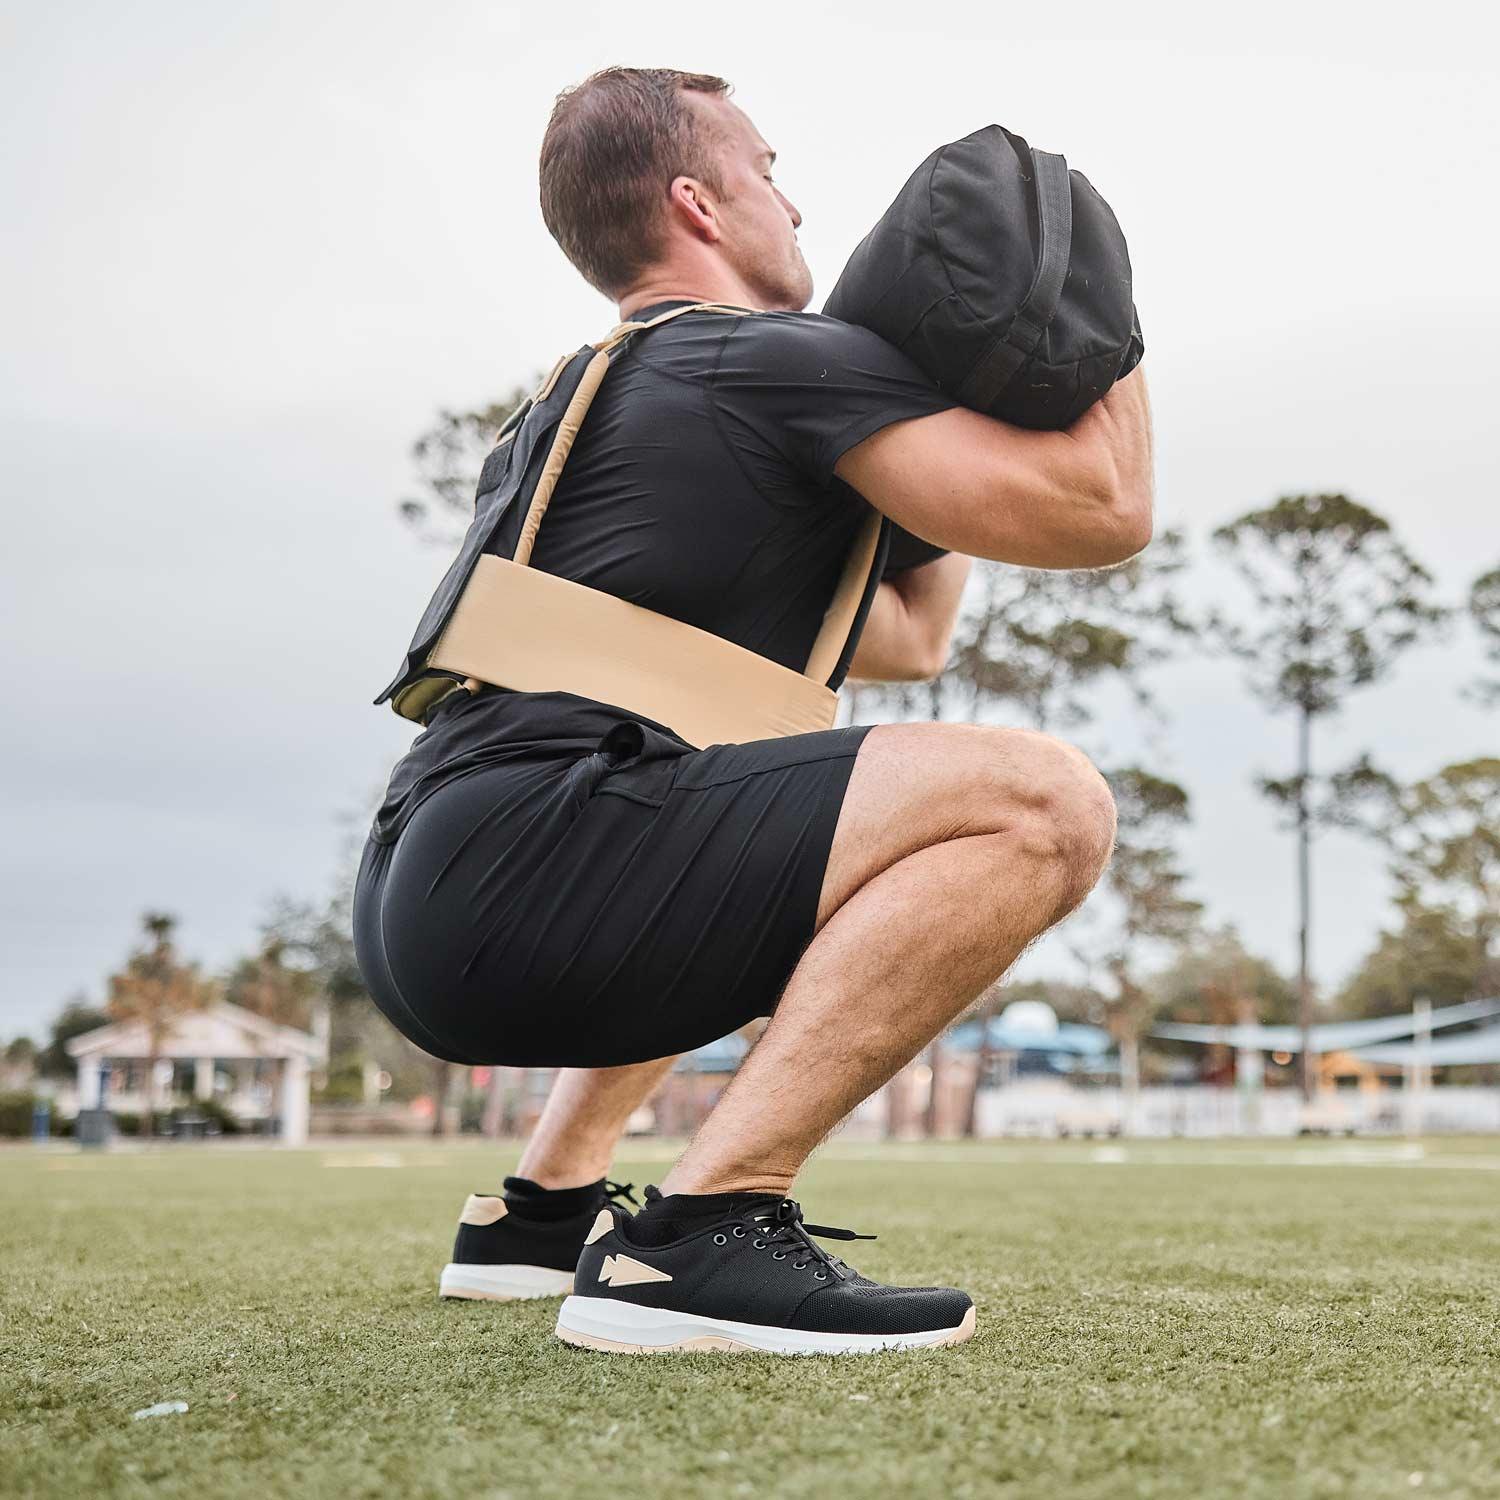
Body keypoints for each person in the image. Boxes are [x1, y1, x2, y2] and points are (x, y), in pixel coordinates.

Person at [353, 66, 1154, 1355]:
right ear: (699, 204)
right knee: (1044, 804)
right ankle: (703, 1234)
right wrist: (1096, 324)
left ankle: (540, 1212)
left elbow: (901, 637)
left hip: (440, 889)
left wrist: (910, 435)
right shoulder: (764, 355)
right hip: (528, 867)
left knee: (730, 782)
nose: (794, 202)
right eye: (769, 173)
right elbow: (1103, 509)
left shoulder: (592, 388)